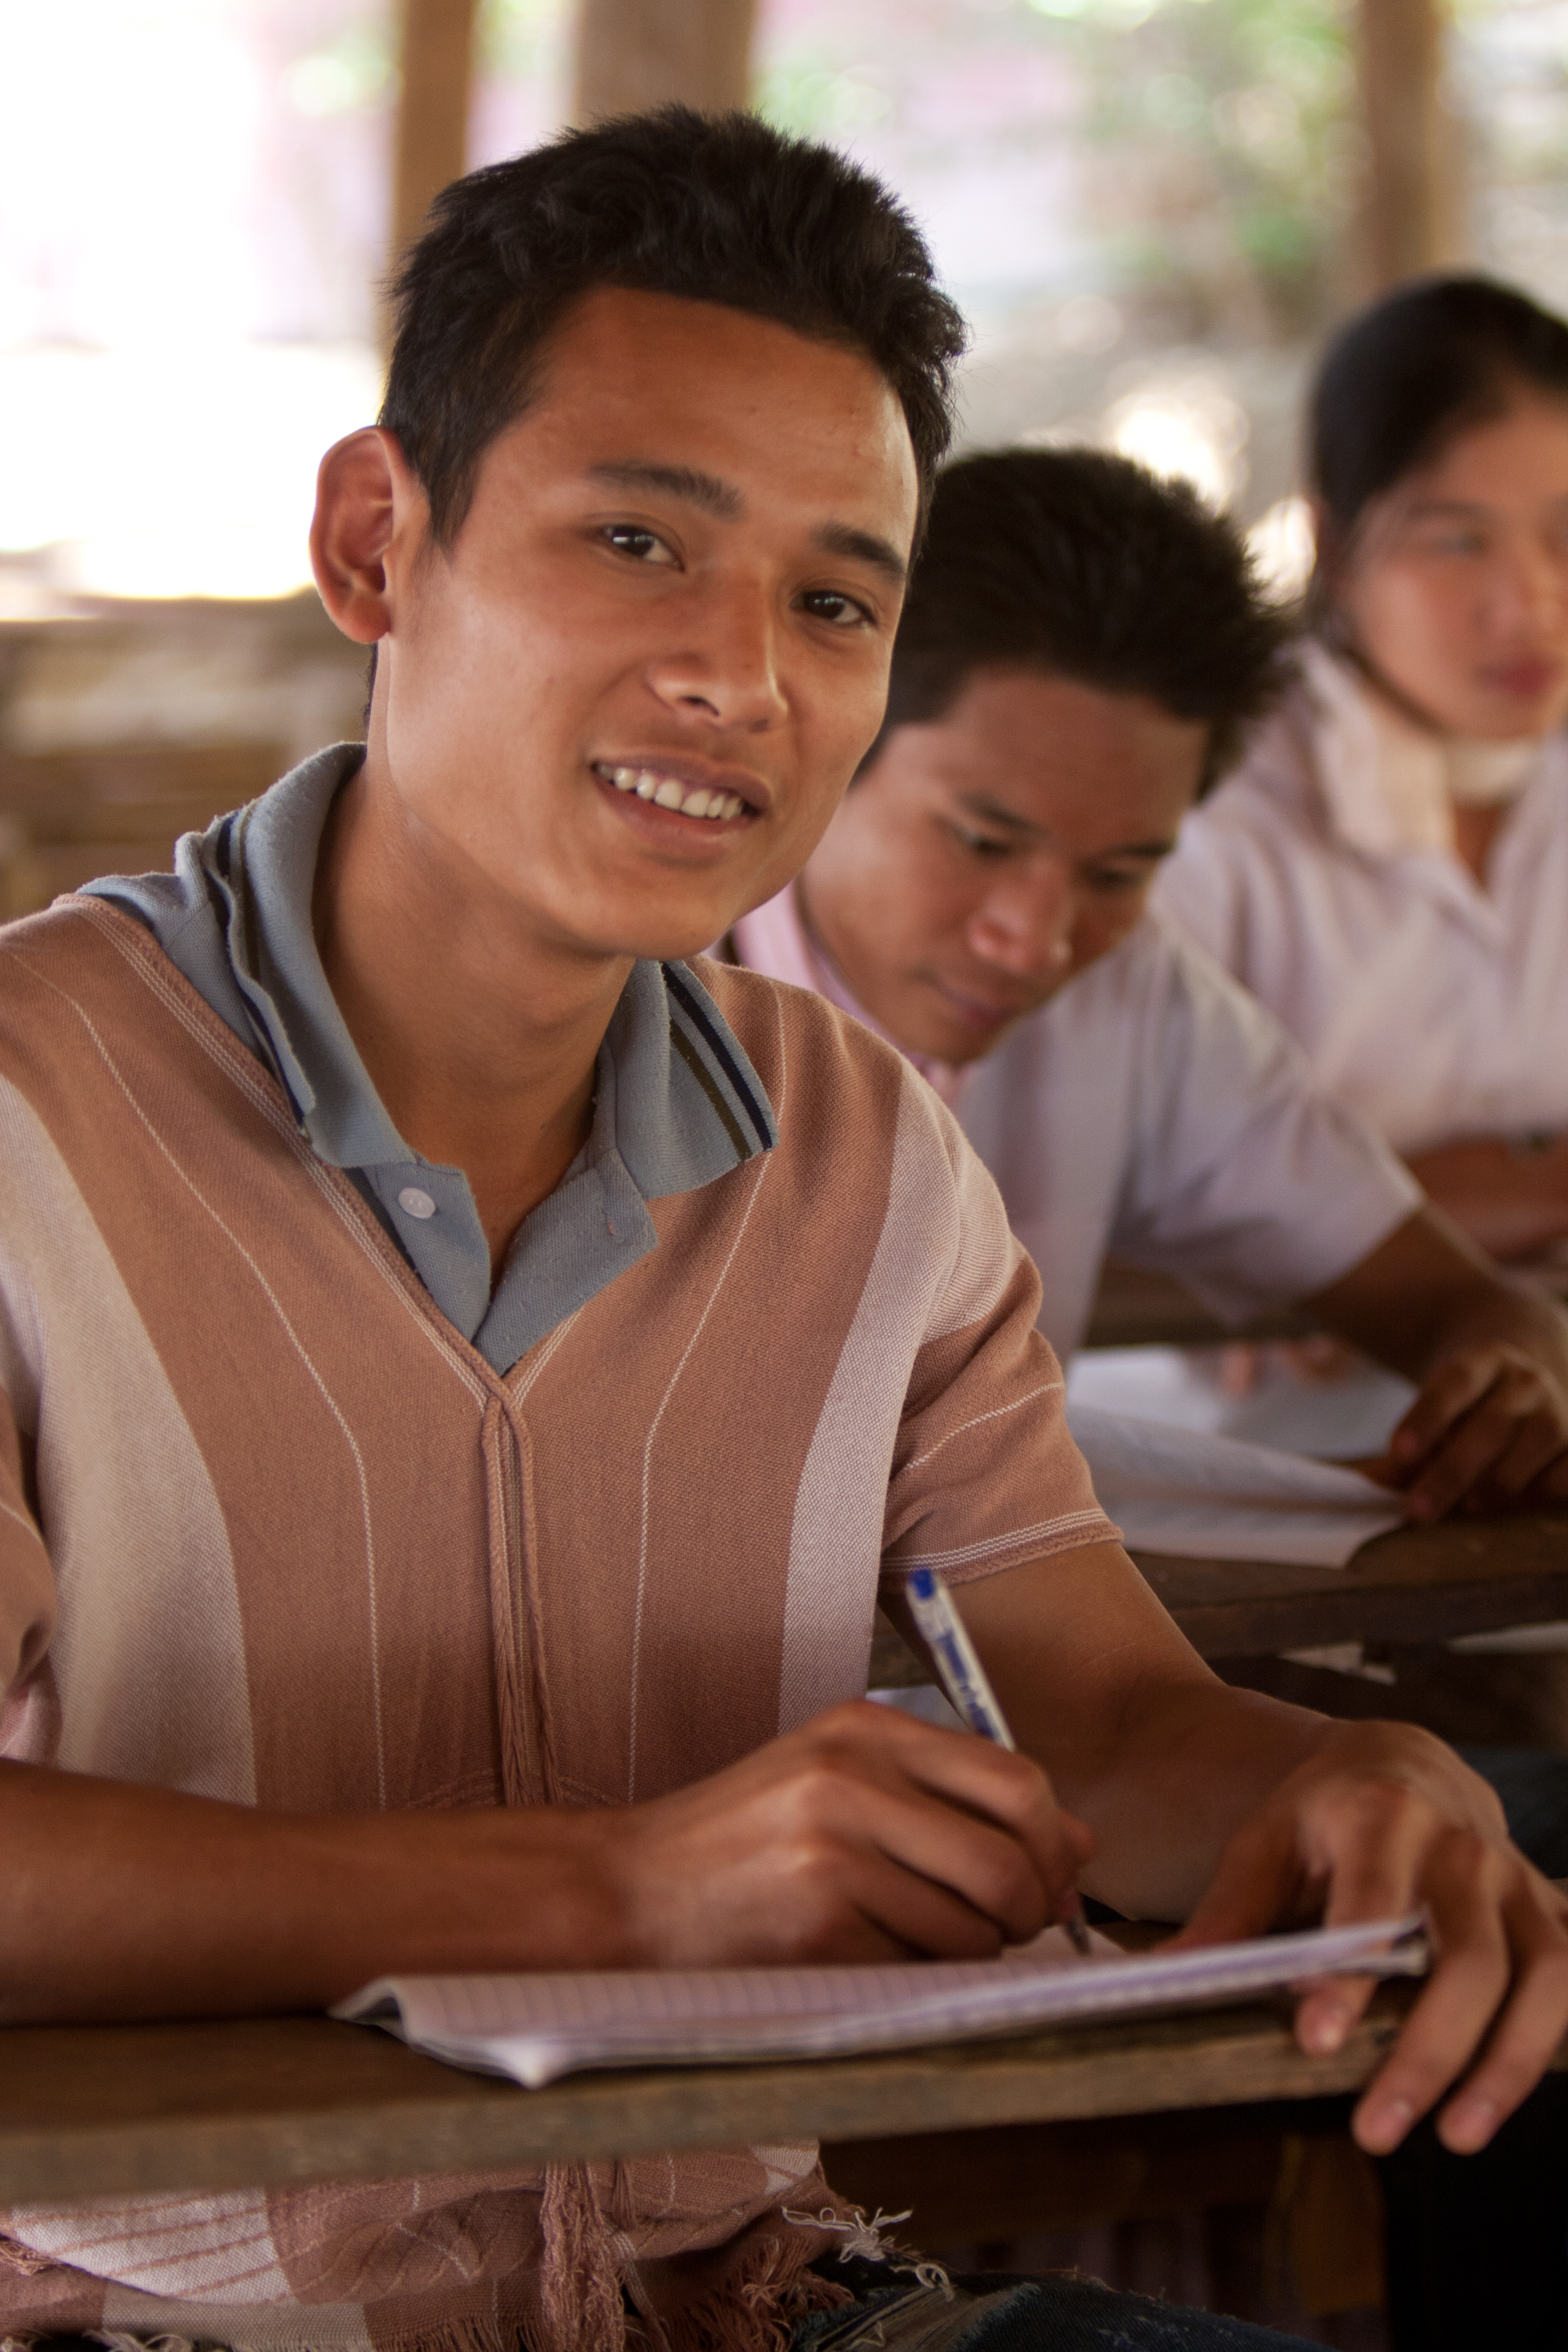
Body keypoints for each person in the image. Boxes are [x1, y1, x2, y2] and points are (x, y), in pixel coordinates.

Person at [1, 115, 1564, 2352]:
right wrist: (626, 1884)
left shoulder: (861, 1151)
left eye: (836, 598)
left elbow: (1099, 1709)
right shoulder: (29, 1113)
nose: (744, 673)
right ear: (377, 537)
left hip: (747, 2298)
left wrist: (1348, 1776)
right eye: (638, 537)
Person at [729, 444, 1568, 1524]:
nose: (1034, 941)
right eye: (983, 841)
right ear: (831, 733)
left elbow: (1457, 1302)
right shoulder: (636, 990)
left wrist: (1513, 1374)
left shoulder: (1130, 999)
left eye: (1119, 874)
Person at [1154, 274, 1568, 1266]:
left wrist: (1367, 1223)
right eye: (1459, 540)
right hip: (1252, 1409)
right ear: (1334, 546)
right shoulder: (1209, 812)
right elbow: (1188, 1224)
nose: (1529, 604)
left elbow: (1312, 1234)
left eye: (1567, 535)